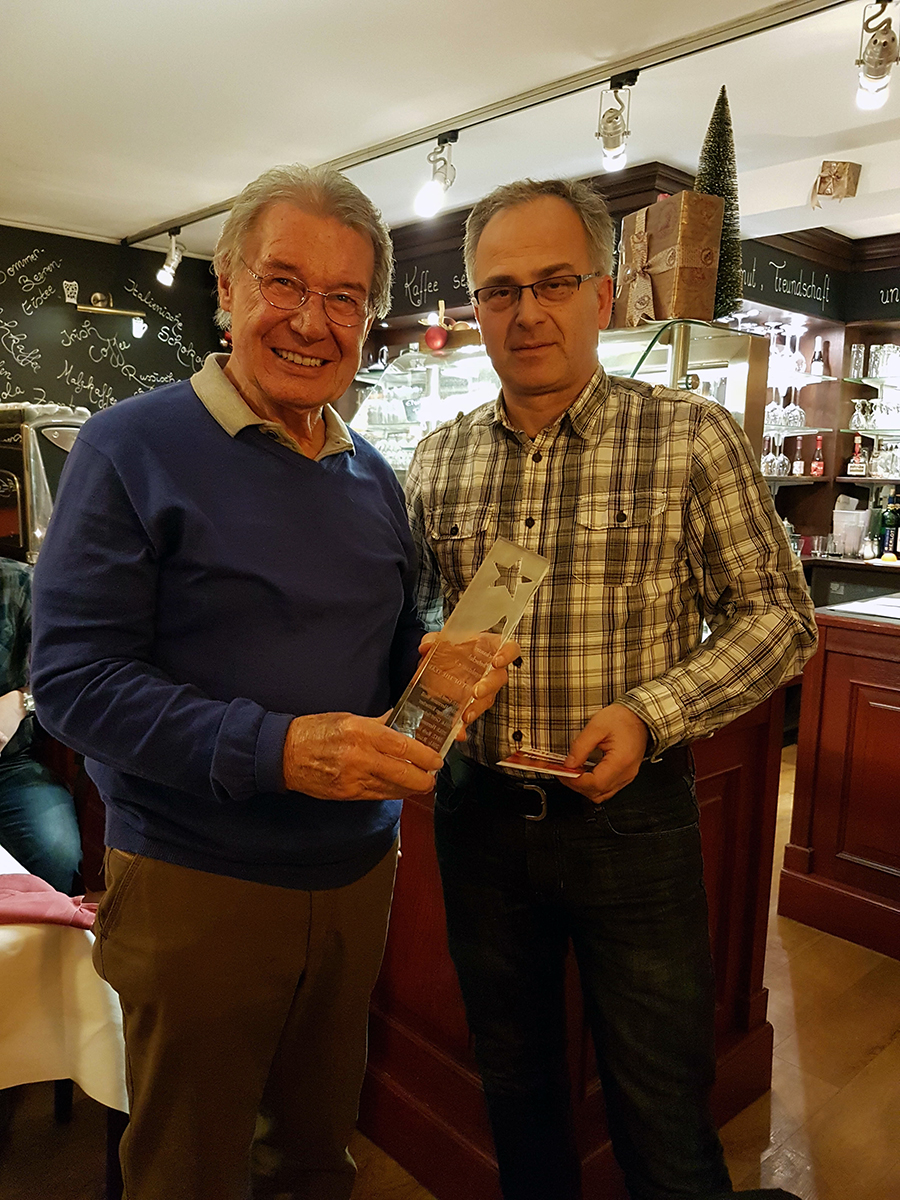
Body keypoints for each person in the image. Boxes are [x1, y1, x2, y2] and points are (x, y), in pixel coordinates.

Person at [30, 163, 515, 1200]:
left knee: (313, 1154)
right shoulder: (127, 447)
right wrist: (281, 749)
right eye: (284, 282)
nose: (310, 320)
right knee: (188, 1168)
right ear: (228, 288)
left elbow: (390, 644)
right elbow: (72, 681)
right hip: (195, 880)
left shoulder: (373, 474)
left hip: (357, 875)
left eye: (345, 297)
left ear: (369, 321)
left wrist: (435, 664)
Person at [406, 178, 818, 1200]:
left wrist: (649, 713)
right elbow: (405, 621)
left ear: (602, 295)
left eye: (553, 282)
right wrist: (419, 660)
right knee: (515, 1088)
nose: (527, 312)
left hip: (633, 825)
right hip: (478, 819)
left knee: (662, 1110)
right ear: (474, 307)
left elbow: (781, 616)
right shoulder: (436, 460)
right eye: (501, 290)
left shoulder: (692, 437)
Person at [0, 556, 80, 892]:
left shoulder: (20, 583)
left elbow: (66, 676)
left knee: (57, 853)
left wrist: (21, 702)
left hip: (10, 766)